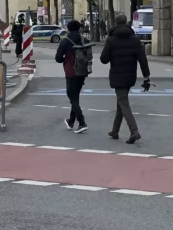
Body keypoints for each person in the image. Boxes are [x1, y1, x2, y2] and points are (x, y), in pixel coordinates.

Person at [100, 14, 150, 144]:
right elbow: (142, 59)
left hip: (117, 75)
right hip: (130, 76)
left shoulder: (111, 39)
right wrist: (146, 77)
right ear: (126, 22)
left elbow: (103, 59)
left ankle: (134, 131)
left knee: (123, 102)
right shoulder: (134, 39)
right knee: (121, 102)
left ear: (115, 23)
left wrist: (111, 53)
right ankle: (115, 131)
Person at [56, 19, 90, 134]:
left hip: (71, 72)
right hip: (83, 71)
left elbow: (58, 58)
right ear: (79, 28)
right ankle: (71, 121)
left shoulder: (65, 41)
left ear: (68, 29)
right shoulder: (84, 39)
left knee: (72, 96)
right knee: (75, 96)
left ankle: (82, 122)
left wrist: (66, 57)